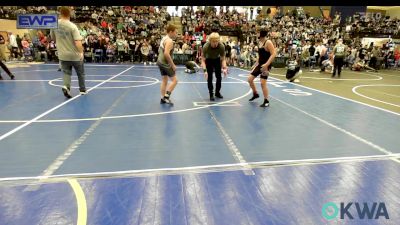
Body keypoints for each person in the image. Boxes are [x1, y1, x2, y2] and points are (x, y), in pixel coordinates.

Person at [50, 6, 86, 99]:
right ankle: (82, 90)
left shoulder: (54, 24)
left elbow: (53, 38)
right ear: (69, 14)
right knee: (80, 73)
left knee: (66, 73)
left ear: (60, 13)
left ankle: (66, 87)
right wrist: (81, 52)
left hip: (62, 55)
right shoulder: (72, 26)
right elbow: (78, 42)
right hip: (74, 55)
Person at [247, 30, 276, 107]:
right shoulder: (259, 42)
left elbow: (273, 54)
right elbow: (261, 55)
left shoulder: (268, 42)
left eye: (257, 32)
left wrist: (266, 64)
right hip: (260, 64)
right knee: (249, 79)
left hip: (266, 65)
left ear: (261, 34)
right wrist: (255, 63)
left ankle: (266, 101)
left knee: (263, 83)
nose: (256, 33)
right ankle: (255, 93)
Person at [201, 32, 228, 101]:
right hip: (209, 60)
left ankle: (217, 92)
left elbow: (223, 58)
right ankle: (211, 94)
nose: (215, 43)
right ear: (210, 41)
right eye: (213, 42)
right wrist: (205, 71)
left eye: (217, 41)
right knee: (209, 77)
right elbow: (203, 60)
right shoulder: (206, 47)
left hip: (217, 60)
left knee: (219, 77)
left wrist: (224, 68)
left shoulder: (221, 46)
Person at [156, 24, 178, 105]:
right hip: (164, 62)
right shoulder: (169, 41)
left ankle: (163, 97)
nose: (176, 34)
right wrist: (172, 65)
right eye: (176, 32)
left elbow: (160, 51)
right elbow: (166, 54)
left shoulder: (164, 38)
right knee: (175, 80)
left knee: (164, 80)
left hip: (159, 61)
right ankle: (166, 97)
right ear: (171, 32)